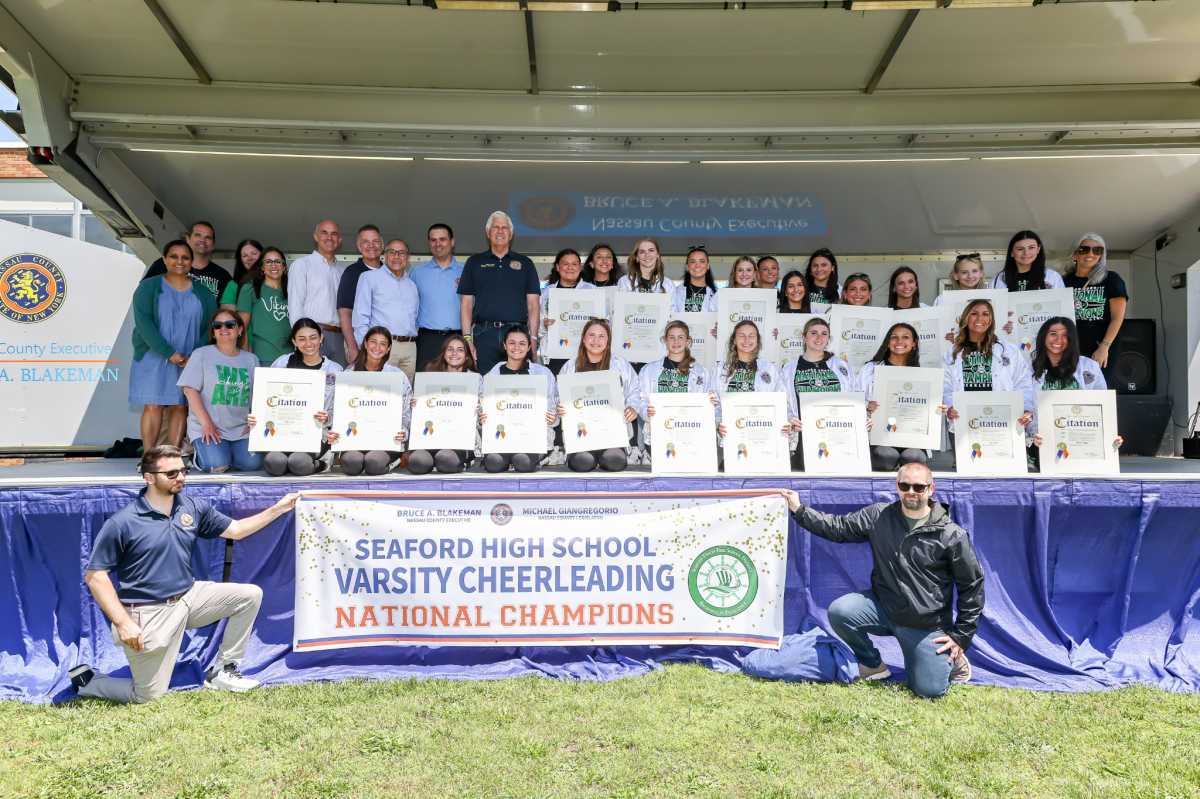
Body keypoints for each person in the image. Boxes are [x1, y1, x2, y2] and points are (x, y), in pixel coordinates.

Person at [69, 445, 298, 703]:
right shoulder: (123, 522)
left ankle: (223, 671)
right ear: (149, 477)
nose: (180, 477)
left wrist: (278, 508)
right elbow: (95, 577)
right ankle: (89, 681)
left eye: (183, 470)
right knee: (147, 696)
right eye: (171, 473)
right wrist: (123, 623)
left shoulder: (191, 507)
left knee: (249, 595)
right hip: (149, 612)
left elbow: (236, 530)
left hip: (189, 596)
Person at [779, 462, 984, 698]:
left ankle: (954, 661)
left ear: (931, 489)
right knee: (841, 611)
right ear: (897, 486)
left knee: (929, 690)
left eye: (919, 487)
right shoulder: (879, 516)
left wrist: (961, 636)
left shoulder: (950, 534)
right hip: (884, 608)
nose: (911, 492)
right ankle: (873, 665)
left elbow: (972, 586)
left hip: (924, 624)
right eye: (904, 486)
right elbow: (838, 527)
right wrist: (799, 510)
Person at [130, 239, 219, 453]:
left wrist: (193, 357)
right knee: (153, 405)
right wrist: (169, 352)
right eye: (174, 256)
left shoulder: (203, 292)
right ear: (164, 259)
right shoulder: (148, 287)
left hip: (188, 359)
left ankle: (171, 457)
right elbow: (144, 323)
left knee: (180, 406)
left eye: (185, 257)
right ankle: (149, 458)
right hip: (153, 356)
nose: (180, 261)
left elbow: (210, 326)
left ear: (191, 261)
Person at [251, 318, 342, 476]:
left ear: (321, 338)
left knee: (298, 463)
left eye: (313, 337)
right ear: (294, 341)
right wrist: (256, 417)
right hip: (281, 431)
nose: (308, 343)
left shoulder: (334, 370)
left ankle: (321, 464)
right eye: (302, 339)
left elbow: (341, 410)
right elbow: (266, 397)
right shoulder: (282, 364)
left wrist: (328, 418)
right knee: (274, 463)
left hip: (316, 434)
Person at [178, 309, 261, 474]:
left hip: (240, 430)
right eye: (218, 325)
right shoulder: (201, 354)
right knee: (216, 465)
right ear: (213, 331)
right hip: (208, 427)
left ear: (240, 330)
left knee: (253, 464)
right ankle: (199, 455)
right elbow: (189, 390)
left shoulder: (251, 359)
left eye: (230, 325)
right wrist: (206, 423)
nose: (224, 328)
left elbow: (258, 396)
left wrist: (255, 422)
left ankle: (227, 454)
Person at [458, 211, 542, 375]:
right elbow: (466, 305)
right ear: (488, 232)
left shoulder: (526, 263)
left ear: (511, 234)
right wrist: (467, 339)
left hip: (517, 335)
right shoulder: (474, 262)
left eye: (504, 228)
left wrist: (533, 339)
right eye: (496, 227)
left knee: (517, 383)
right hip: (484, 335)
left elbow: (533, 306)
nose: (500, 231)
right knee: (484, 382)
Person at [943, 299, 1035, 446]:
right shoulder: (952, 353)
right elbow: (945, 387)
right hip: (965, 423)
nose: (980, 318)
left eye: (985, 314)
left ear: (991, 320)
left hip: (1001, 422)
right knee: (971, 461)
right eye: (974, 314)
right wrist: (949, 408)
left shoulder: (1009, 351)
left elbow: (1023, 383)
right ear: (966, 318)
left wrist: (1026, 409)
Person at [559, 318, 646, 472]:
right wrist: (561, 408)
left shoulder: (620, 365)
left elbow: (635, 391)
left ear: (608, 340)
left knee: (615, 462)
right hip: (582, 434)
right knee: (582, 462)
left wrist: (633, 407)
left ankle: (605, 457)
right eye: (591, 335)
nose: (596, 341)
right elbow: (559, 397)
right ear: (583, 338)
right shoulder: (570, 367)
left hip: (612, 434)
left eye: (601, 336)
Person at [855, 322, 943, 471]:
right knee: (885, 455)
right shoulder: (870, 369)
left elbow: (928, 410)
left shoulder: (924, 376)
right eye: (894, 337)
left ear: (914, 344)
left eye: (905, 337)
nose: (899, 341)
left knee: (914, 457)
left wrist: (937, 409)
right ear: (888, 342)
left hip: (912, 436)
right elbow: (855, 399)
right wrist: (866, 406)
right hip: (880, 435)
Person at [327, 326, 411, 476]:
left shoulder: (397, 376)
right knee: (352, 464)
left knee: (374, 464)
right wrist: (334, 428)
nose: (377, 347)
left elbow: (406, 412)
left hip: (385, 439)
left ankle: (397, 460)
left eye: (383, 344)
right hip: (354, 438)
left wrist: (403, 431)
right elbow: (337, 408)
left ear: (388, 348)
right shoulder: (349, 374)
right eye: (373, 342)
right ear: (365, 344)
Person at [480, 325, 558, 473]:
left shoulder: (543, 374)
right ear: (504, 345)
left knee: (523, 462)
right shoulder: (492, 376)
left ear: (529, 347)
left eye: (522, 343)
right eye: (512, 343)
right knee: (493, 463)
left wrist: (552, 417)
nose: (516, 347)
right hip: (502, 437)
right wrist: (482, 416)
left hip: (531, 437)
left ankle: (539, 457)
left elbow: (553, 409)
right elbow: (483, 408)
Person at [782, 317, 856, 468]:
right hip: (804, 437)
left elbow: (853, 398)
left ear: (828, 339)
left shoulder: (841, 366)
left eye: (824, 334)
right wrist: (790, 418)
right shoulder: (789, 369)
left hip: (837, 433)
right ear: (804, 337)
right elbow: (783, 401)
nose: (819, 338)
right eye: (813, 333)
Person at [638, 320, 717, 457]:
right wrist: (647, 412)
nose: (676, 342)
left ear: (688, 341)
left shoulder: (701, 372)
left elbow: (709, 405)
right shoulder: (649, 370)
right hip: (658, 434)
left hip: (690, 434)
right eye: (671, 337)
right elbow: (640, 400)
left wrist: (709, 403)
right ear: (665, 340)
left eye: (680, 337)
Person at [408, 334, 480, 475]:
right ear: (443, 353)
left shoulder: (475, 379)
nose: (454, 353)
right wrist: (415, 405)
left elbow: (483, 413)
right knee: (417, 462)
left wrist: (479, 411)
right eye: (450, 349)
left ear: (467, 356)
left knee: (446, 461)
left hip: (459, 439)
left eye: (460, 350)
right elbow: (419, 411)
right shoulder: (429, 377)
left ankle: (462, 461)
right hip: (430, 437)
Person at [352, 238, 419, 382]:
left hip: (409, 348)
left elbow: (415, 318)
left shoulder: (412, 285)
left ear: (408, 257)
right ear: (384, 255)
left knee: (405, 391)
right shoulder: (369, 278)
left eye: (401, 253)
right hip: (383, 347)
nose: (396, 256)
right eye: (392, 252)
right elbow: (360, 316)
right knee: (380, 390)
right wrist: (366, 348)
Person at [1062, 232, 1128, 367]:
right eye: (1084, 249)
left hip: (1100, 347)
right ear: (1075, 254)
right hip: (1069, 348)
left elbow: (1117, 318)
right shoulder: (1063, 281)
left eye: (1097, 250)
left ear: (1101, 256)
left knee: (1099, 381)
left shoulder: (1111, 279)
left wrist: (1104, 346)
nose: (1090, 254)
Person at [288, 219, 347, 365]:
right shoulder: (302, 265)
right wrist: (302, 338)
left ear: (339, 240)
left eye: (334, 234)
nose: (329, 237)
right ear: (315, 236)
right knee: (312, 377)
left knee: (339, 377)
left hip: (340, 336)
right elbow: (295, 305)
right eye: (324, 233)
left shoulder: (343, 270)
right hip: (313, 335)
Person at [410, 222, 465, 370]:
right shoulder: (417, 272)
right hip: (427, 339)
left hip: (457, 339)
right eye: (433, 240)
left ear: (452, 242)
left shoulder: (466, 271)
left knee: (457, 383)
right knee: (425, 381)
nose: (438, 244)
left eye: (442, 239)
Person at [143, 221, 231, 306]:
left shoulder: (223, 276)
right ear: (188, 239)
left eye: (208, 237)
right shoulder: (165, 264)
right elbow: (143, 295)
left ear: (213, 245)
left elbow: (227, 309)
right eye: (198, 235)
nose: (202, 240)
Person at [540, 248, 596, 374]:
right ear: (557, 267)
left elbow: (605, 322)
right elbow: (536, 323)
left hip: (586, 353)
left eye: (574, 264)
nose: (570, 267)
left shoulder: (592, 291)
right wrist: (544, 324)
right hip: (556, 353)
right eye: (565, 264)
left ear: (580, 267)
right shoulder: (547, 292)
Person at [335, 224, 385, 365]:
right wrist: (352, 347)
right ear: (359, 246)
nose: (371, 246)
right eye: (366, 242)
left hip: (385, 345)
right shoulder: (351, 273)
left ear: (382, 245)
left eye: (375, 241)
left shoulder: (389, 272)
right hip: (360, 344)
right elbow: (345, 313)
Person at [235, 247, 291, 365]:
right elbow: (242, 326)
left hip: (290, 356)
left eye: (278, 261)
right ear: (262, 267)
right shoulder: (250, 289)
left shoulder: (292, 290)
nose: (273, 265)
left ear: (284, 267)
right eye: (268, 262)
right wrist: (245, 356)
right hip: (263, 355)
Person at [992, 230, 1064, 292]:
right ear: (1012, 252)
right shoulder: (999, 279)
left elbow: (1062, 302)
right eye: (1020, 249)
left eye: (1031, 247)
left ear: (1038, 249)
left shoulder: (1053, 277)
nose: (1026, 253)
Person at [671, 246, 718, 313]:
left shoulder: (716, 294)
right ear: (687, 267)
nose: (697, 265)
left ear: (708, 266)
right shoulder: (676, 292)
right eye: (692, 262)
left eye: (702, 261)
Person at [219, 238, 264, 307]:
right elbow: (227, 311)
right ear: (240, 261)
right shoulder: (233, 285)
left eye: (254, 253)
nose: (250, 258)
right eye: (245, 256)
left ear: (263, 255)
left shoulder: (274, 280)